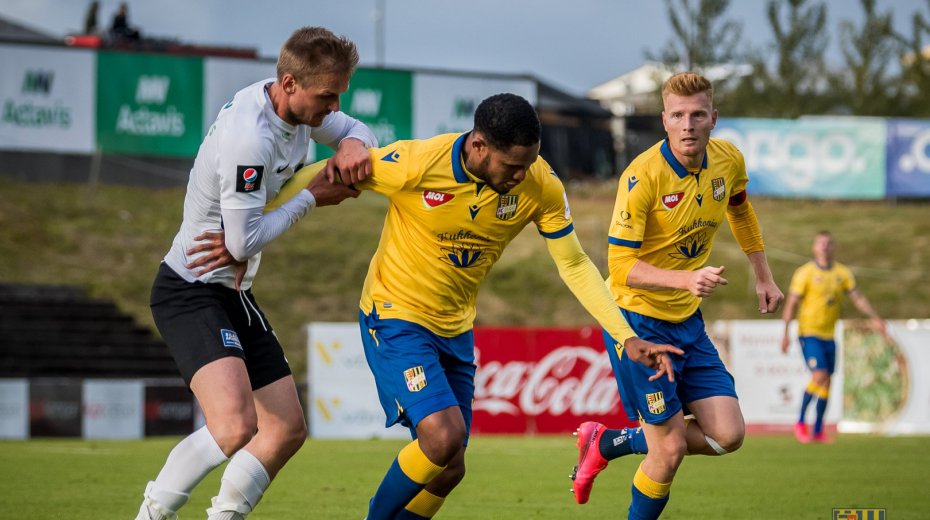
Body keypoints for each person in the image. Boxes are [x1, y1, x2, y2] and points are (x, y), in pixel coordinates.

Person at [268, 92, 683, 519]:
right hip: (394, 315)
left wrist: (626, 335)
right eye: (513, 165)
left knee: (449, 468)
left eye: (529, 163)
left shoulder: (540, 184)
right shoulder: (418, 163)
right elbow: (323, 172)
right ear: (479, 145)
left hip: (455, 329)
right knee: (442, 438)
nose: (522, 175)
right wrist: (251, 221)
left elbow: (575, 263)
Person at [133, 27, 377, 520]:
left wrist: (354, 144)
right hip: (191, 288)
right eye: (326, 96)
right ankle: (151, 516)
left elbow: (357, 129)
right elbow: (241, 244)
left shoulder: (300, 109)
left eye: (338, 96)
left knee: (285, 428)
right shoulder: (251, 137)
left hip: (234, 291)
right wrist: (312, 197)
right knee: (234, 426)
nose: (334, 107)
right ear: (289, 83)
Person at [568, 72, 784, 519]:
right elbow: (620, 267)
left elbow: (741, 209)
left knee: (728, 435)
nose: (688, 125)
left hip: (686, 321)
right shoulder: (642, 176)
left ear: (714, 119)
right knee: (667, 451)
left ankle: (607, 442)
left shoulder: (728, 160)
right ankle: (618, 450)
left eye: (698, 115)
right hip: (637, 322)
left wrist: (763, 275)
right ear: (664, 120)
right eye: (679, 115)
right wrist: (685, 280)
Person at [780, 230, 890, 443]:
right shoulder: (805, 273)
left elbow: (858, 298)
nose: (824, 247)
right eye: (820, 243)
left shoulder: (842, 273)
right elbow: (791, 303)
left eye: (828, 243)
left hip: (829, 335)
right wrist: (785, 333)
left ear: (833, 247)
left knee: (827, 382)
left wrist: (876, 318)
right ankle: (800, 423)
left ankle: (818, 431)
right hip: (809, 333)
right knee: (819, 376)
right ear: (814, 248)